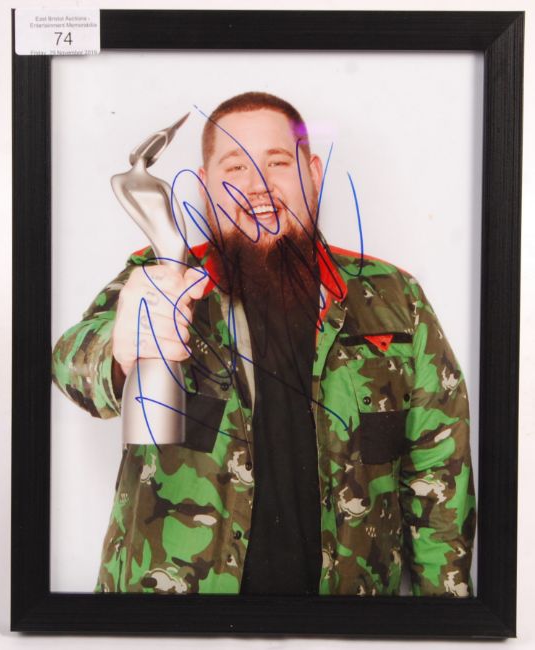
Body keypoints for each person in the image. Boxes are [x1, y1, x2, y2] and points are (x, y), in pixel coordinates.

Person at [52, 91, 476, 597]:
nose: (256, 184)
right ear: (205, 186)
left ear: (312, 173)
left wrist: (443, 617)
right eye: (234, 167)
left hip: (344, 618)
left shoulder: (394, 298)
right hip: (174, 618)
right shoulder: (160, 277)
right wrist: (120, 345)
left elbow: (439, 471)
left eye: (277, 162)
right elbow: (71, 363)